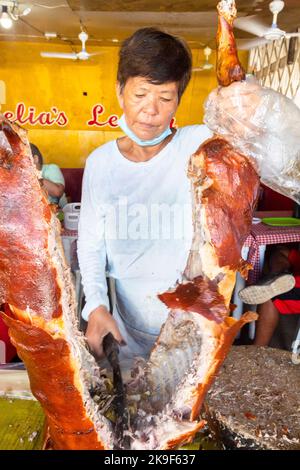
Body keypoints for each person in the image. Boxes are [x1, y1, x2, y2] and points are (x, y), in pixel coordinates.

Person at [77, 28, 272, 361]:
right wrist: (95, 304)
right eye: (140, 95)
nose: (150, 111)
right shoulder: (100, 164)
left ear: (177, 102)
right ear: (120, 91)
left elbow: (252, 124)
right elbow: (91, 244)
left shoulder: (199, 144)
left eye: (165, 98)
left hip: (194, 330)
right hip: (128, 331)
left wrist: (242, 97)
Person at [239, 245, 300, 348]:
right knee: (281, 251)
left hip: (295, 291)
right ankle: (278, 276)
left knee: (270, 293)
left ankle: (259, 347)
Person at [30, 143, 68, 208]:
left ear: (35, 159)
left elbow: (58, 192)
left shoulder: (51, 168)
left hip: (56, 212)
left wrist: (33, 176)